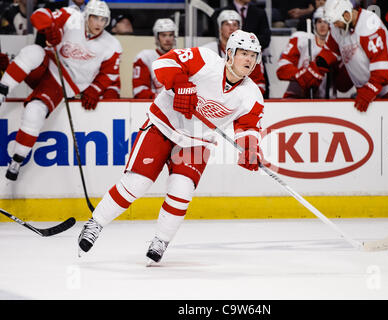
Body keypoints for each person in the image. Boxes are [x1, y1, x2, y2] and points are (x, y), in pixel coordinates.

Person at [78, 30, 265, 265]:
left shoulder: (252, 95)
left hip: (197, 140)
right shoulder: (206, 60)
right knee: (137, 183)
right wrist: (180, 83)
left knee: (182, 190)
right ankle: (95, 223)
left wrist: (250, 148)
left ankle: (161, 240)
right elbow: (164, 62)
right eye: (244, 54)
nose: (249, 60)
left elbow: (248, 126)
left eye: (253, 56)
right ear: (229, 54)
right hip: (163, 125)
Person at [0, 0, 122, 181]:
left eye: (103, 19)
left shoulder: (112, 46)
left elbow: (109, 74)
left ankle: (17, 161)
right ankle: (2, 92)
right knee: (32, 51)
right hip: (49, 63)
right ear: (86, 16)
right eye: (95, 17)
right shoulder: (71, 17)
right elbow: (39, 16)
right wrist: (49, 29)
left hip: (64, 84)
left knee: (35, 111)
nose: (98, 23)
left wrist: (94, 89)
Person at [297, 0, 388, 112]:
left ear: (346, 15)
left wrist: (370, 89)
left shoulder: (369, 23)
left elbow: (380, 64)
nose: (334, 25)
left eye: (336, 22)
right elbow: (330, 51)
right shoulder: (338, 24)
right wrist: (315, 69)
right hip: (366, 87)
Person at [276, 6, 353, 98]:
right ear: (314, 23)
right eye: (319, 21)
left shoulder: (339, 48)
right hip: (297, 98)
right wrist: (303, 75)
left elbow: (343, 86)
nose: (322, 25)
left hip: (326, 101)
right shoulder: (301, 40)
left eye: (326, 22)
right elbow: (282, 70)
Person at [202, 9, 266, 95]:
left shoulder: (252, 51)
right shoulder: (208, 50)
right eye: (227, 24)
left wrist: (240, 95)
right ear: (220, 28)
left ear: (240, 28)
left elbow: (259, 84)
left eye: (235, 24)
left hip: (242, 100)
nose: (231, 28)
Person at [132, 18, 177, 99]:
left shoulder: (182, 58)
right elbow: (139, 90)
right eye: (163, 35)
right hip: (153, 106)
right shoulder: (145, 57)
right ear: (156, 37)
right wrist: (161, 99)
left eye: (170, 35)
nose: (167, 39)